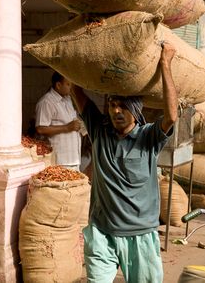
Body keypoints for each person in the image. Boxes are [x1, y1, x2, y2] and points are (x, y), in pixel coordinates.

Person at [70, 41, 178, 283]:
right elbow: (78, 93)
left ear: (136, 110)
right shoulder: (99, 131)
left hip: (140, 234)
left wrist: (165, 64)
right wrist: (76, 56)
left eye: (123, 106)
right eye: (112, 104)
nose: (116, 111)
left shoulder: (149, 136)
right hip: (101, 231)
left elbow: (171, 116)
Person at [35, 71, 82, 170]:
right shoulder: (47, 102)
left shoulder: (68, 99)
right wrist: (67, 127)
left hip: (74, 158)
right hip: (60, 160)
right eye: (68, 84)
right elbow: (41, 129)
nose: (71, 87)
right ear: (58, 85)